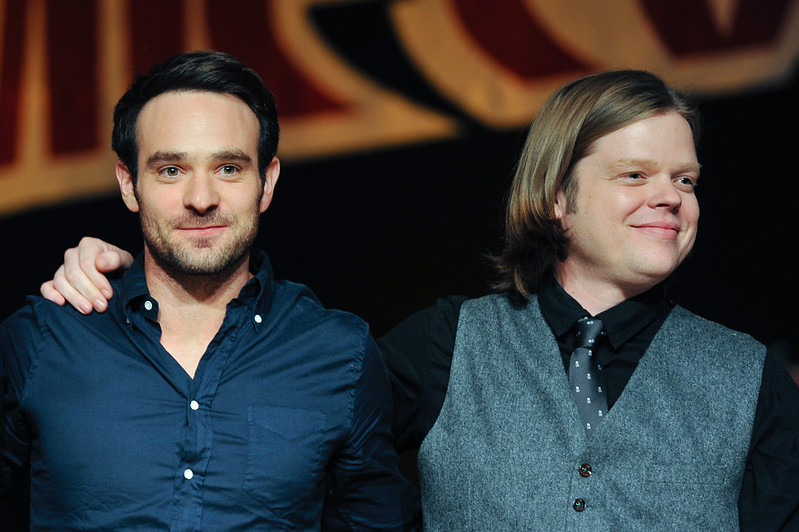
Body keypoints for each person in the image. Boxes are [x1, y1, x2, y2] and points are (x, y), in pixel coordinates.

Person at [38, 71, 799, 529]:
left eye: (686, 179)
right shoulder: (445, 343)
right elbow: (277, 395)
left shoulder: (748, 377)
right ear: (557, 197)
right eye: (634, 176)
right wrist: (127, 282)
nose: (669, 197)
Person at [0, 50, 420, 530]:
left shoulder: (338, 353)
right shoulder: (43, 338)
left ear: (267, 182)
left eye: (228, 168)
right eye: (171, 170)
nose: (201, 199)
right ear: (128, 183)